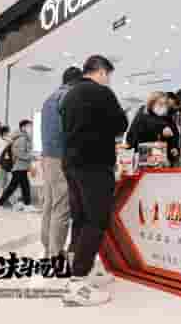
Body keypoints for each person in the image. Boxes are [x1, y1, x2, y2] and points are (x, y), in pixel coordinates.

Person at [60, 55, 128, 306]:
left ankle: (79, 270)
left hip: (72, 163)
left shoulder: (69, 95)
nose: (108, 80)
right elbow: (121, 125)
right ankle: (77, 282)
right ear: (101, 72)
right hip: (95, 163)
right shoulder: (101, 92)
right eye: (108, 75)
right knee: (96, 219)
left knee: (80, 216)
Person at [40, 67, 82, 259]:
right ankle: (55, 254)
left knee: (49, 204)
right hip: (61, 157)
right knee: (62, 207)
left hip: (48, 157)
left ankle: (48, 248)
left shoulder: (50, 98)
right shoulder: (69, 97)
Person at [0, 120, 38, 213]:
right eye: (29, 126)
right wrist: (32, 157)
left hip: (21, 166)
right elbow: (18, 152)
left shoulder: (23, 137)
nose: (31, 128)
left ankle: (27, 205)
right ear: (23, 127)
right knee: (13, 187)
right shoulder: (21, 138)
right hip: (19, 166)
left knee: (24, 186)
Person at [126, 91, 179, 164]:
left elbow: (174, 134)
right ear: (151, 103)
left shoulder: (168, 117)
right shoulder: (142, 116)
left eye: (165, 104)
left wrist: (174, 147)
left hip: (163, 160)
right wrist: (161, 129)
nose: (163, 106)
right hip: (144, 159)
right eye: (160, 104)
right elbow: (133, 137)